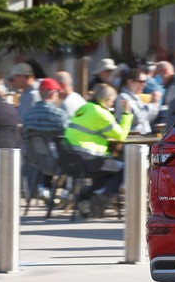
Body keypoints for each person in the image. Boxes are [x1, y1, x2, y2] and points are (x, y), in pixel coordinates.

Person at [65, 84, 131, 212]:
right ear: (106, 100)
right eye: (112, 101)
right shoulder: (101, 113)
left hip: (72, 158)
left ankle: (89, 196)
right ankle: (102, 198)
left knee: (109, 167)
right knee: (123, 167)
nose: (112, 104)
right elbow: (121, 136)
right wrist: (126, 114)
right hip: (88, 158)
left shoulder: (84, 108)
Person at [114, 69, 156, 135]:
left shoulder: (136, 97)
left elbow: (148, 118)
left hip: (143, 136)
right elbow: (138, 118)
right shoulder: (123, 97)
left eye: (145, 82)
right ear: (130, 82)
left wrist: (155, 103)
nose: (144, 85)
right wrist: (152, 104)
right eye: (141, 81)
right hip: (133, 138)